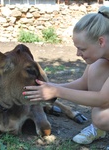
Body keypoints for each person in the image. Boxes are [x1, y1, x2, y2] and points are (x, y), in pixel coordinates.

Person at [22, 6, 109, 145]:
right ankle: (99, 130)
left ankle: (99, 125)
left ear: (101, 42)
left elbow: (103, 100)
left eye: (82, 49)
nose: (77, 54)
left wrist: (57, 91)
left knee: (102, 117)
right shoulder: (101, 55)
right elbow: (84, 83)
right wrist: (49, 88)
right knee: (96, 67)